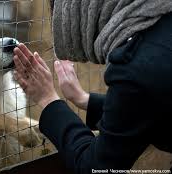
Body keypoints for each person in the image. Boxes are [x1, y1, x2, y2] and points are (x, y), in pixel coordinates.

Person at [13, 0, 172, 173]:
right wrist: (84, 99)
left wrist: (48, 99)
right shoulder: (160, 32)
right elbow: (144, 107)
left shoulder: (136, 66)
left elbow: (96, 167)